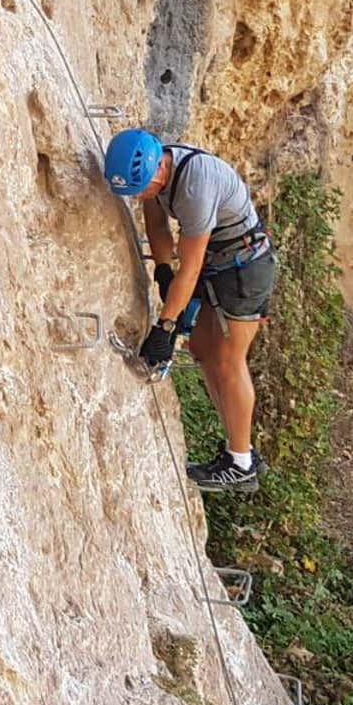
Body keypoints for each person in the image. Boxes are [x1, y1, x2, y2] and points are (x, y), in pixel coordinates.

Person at [104, 129, 275, 491]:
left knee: (229, 359)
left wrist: (165, 328)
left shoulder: (195, 187)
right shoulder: (157, 167)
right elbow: (156, 223)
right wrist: (163, 270)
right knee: (204, 351)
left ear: (157, 172)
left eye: (140, 189)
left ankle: (240, 462)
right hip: (223, 264)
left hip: (244, 270)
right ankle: (236, 448)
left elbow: (192, 265)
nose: (138, 196)